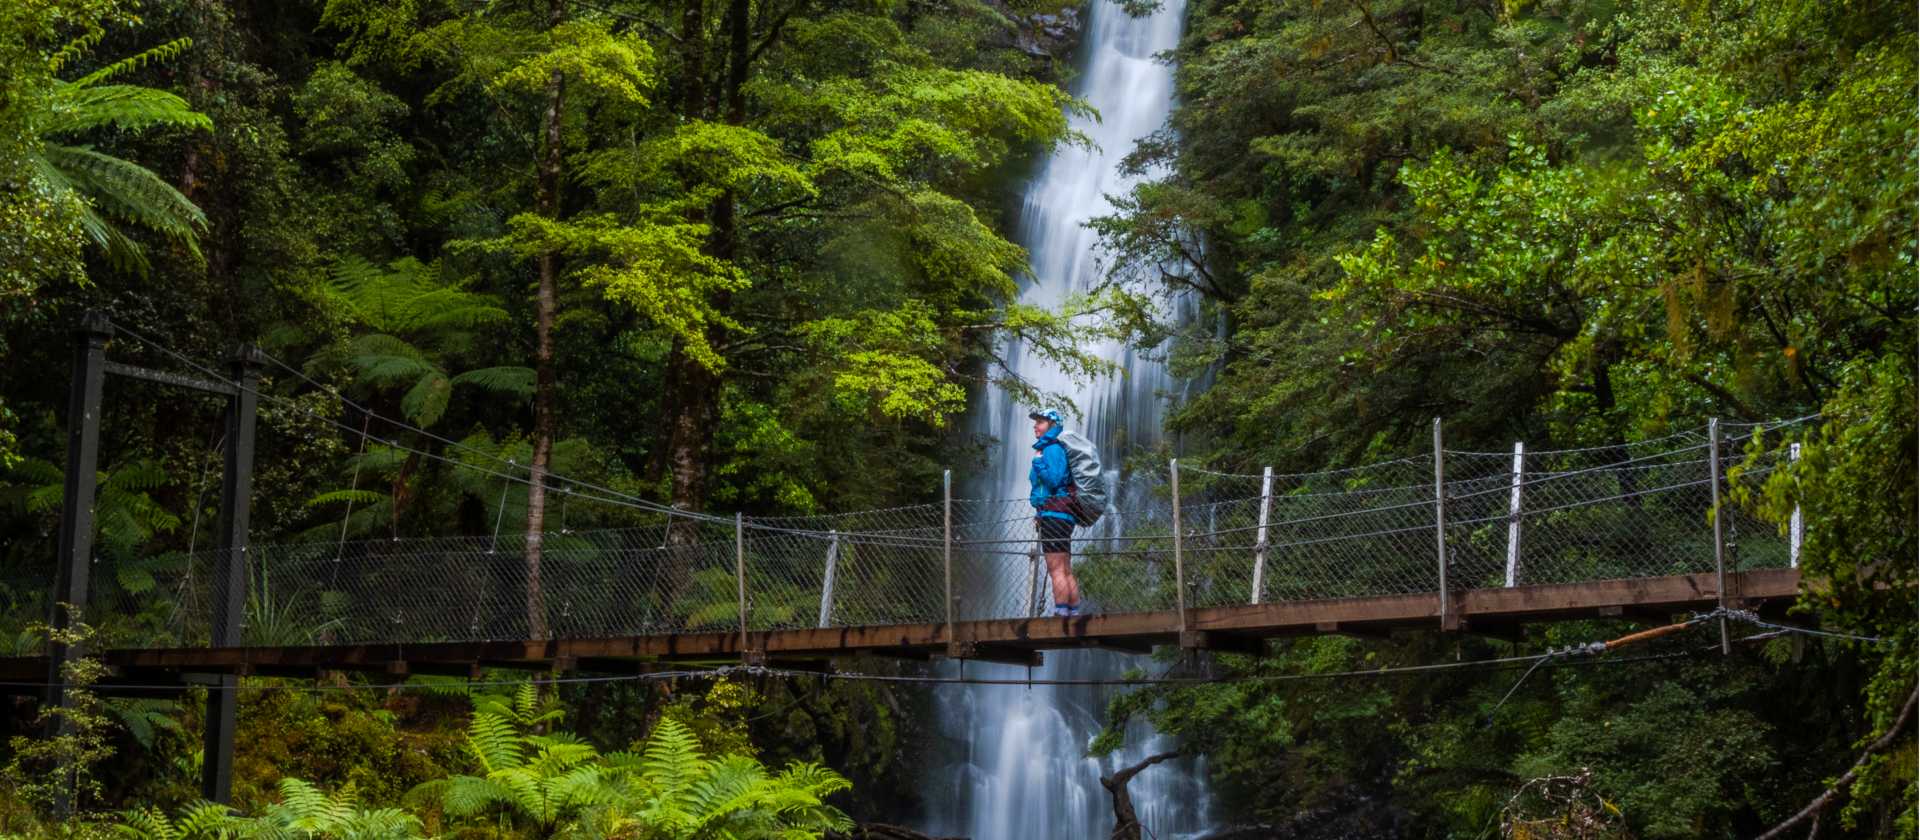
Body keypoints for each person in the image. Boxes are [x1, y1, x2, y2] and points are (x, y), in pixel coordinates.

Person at [1028, 409, 1085, 616]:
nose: (1035, 425)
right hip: (1061, 513)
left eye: (1040, 422)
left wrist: (1038, 463)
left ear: (1052, 425)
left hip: (1054, 513)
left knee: (1056, 569)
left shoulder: (1051, 448)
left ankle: (1061, 614)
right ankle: (1072, 611)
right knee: (1065, 568)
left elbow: (1054, 479)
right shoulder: (1055, 447)